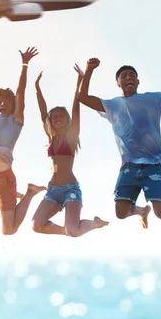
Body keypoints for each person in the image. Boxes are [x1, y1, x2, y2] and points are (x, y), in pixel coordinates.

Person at [78, 42, 161, 239]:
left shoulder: (153, 100)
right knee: (120, 212)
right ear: (118, 84)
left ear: (138, 81)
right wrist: (89, 71)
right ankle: (141, 211)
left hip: (154, 164)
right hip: (129, 166)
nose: (128, 77)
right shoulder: (112, 105)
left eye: (132, 75)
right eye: (123, 76)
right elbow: (83, 97)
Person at [31, 65, 109, 237]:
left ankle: (93, 224)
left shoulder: (72, 136)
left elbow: (76, 105)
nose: (57, 119)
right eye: (54, 117)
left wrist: (80, 80)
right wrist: (37, 88)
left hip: (70, 190)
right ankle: (68, 231)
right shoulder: (51, 138)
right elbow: (42, 112)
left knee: (74, 231)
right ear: (51, 121)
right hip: (53, 191)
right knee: (36, 225)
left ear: (67, 119)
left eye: (61, 116)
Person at [0, 47, 46, 235]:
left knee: (8, 230)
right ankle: (6, 202)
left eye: (7, 101)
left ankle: (29, 192)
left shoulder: (15, 121)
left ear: (13, 105)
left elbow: (21, 90)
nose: (3, 103)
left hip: (4, 179)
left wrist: (25, 64)